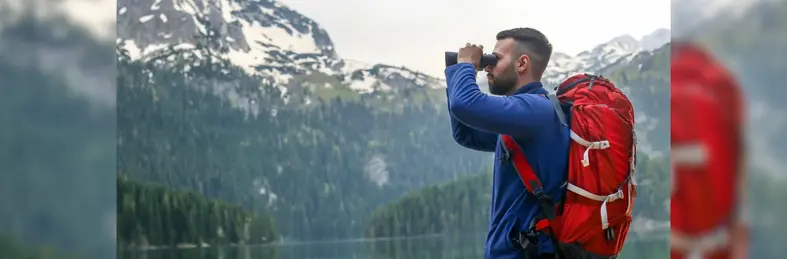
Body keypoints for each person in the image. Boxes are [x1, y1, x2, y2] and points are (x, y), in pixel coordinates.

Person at [445, 27, 569, 259]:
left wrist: (466, 66)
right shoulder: (522, 119)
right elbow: (466, 133)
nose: (487, 66)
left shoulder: (536, 111)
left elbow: (465, 105)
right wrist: (455, 71)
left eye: (495, 59)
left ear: (522, 63)